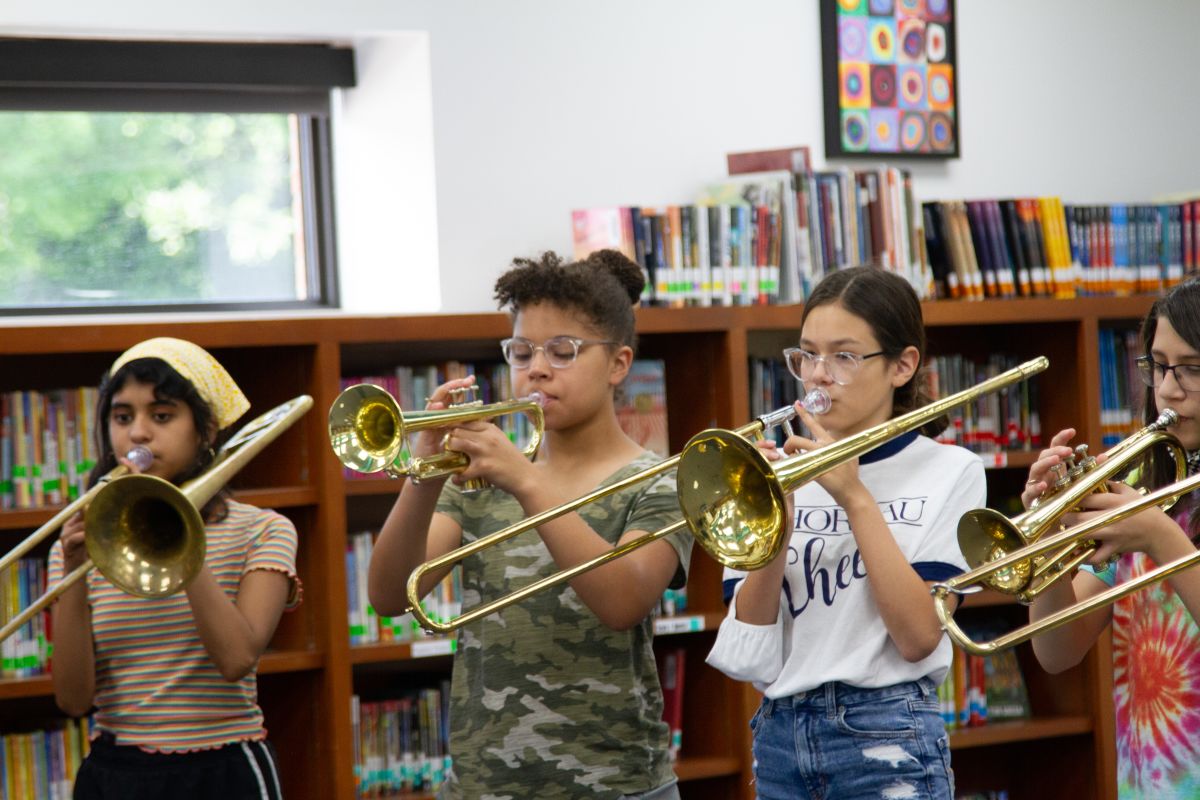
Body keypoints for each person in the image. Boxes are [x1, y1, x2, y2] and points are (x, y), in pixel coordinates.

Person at [368, 250, 690, 800]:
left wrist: (527, 480)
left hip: (614, 785)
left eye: (563, 351)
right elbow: (390, 595)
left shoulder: (662, 481)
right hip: (480, 786)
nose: (536, 368)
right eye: (521, 352)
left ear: (618, 365)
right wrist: (422, 474)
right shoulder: (479, 478)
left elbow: (622, 602)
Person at [706, 266, 985, 800]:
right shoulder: (765, 472)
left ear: (903, 366)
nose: (817, 375)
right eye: (806, 355)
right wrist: (776, 521)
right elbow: (750, 653)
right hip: (780, 732)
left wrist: (855, 497)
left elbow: (918, 637)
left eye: (844, 357)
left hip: (888, 728)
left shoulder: (953, 471)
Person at [50, 337, 300, 800]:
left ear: (204, 430)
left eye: (162, 416)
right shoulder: (83, 541)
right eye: (122, 417)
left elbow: (236, 658)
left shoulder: (264, 531)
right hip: (116, 769)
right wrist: (73, 572)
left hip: (222, 769)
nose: (138, 434)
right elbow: (72, 699)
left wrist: (180, 537)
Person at [1027, 276, 1200, 798]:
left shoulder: (1149, 518)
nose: (1169, 389)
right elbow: (1057, 651)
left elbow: (1161, 541)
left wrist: (1159, 537)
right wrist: (1053, 538)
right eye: (1158, 366)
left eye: (1192, 368)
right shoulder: (1151, 489)